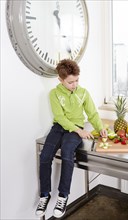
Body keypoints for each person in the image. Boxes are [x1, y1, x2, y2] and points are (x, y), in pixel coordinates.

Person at [35, 59, 107, 218]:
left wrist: (100, 128)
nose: (74, 84)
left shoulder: (83, 93)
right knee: (45, 156)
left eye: (76, 80)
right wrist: (79, 130)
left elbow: (92, 114)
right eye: (70, 82)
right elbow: (59, 117)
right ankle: (44, 195)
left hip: (75, 130)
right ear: (60, 80)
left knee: (68, 152)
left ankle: (63, 196)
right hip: (60, 127)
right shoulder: (54, 94)